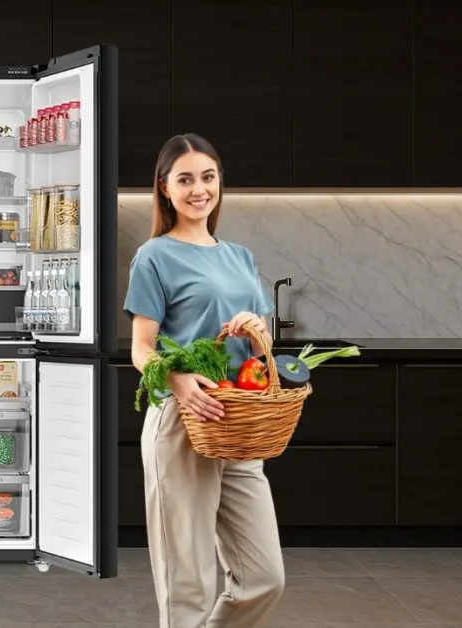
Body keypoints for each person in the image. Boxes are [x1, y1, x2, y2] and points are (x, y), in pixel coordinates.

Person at [123, 133, 286, 628]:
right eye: (186, 179)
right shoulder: (154, 256)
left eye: (208, 177)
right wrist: (176, 381)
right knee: (188, 581)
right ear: (165, 189)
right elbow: (141, 347)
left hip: (237, 420)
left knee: (264, 577)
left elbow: (263, 345)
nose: (199, 189)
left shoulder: (240, 256)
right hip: (184, 420)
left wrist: (260, 336)